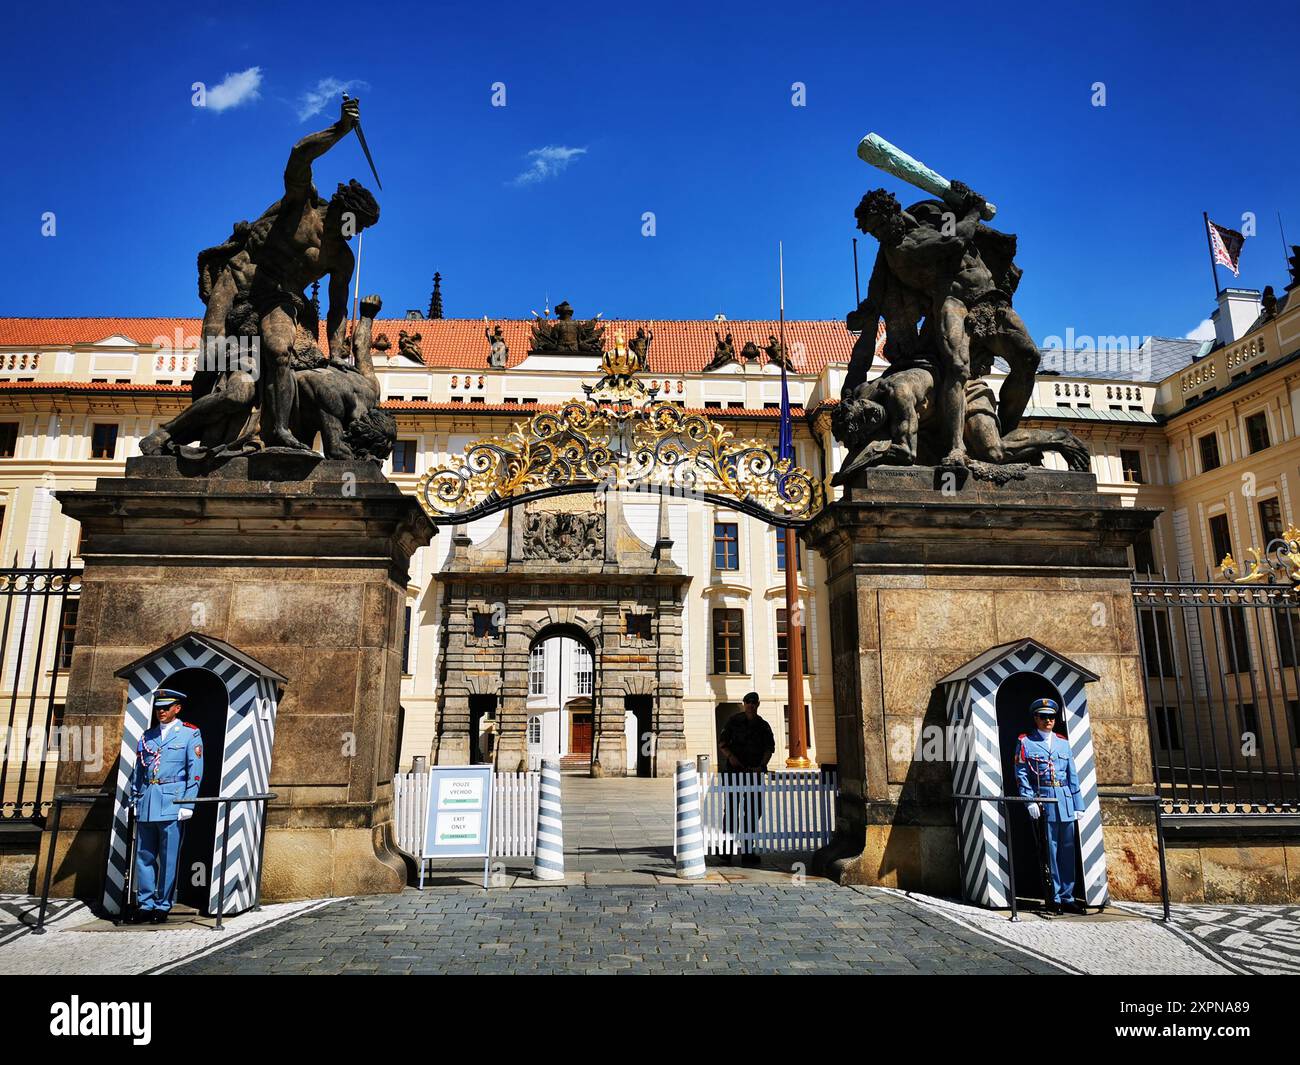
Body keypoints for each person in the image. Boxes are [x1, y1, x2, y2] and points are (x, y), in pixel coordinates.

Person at [130, 688, 204, 924]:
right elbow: (139, 771)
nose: (161, 711)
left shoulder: (189, 734)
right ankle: (145, 903)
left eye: (166, 707)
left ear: (177, 708)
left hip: (173, 801)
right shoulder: (147, 735)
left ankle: (163, 905)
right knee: (144, 856)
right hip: (148, 800)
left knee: (169, 856)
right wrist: (135, 798)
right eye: (158, 707)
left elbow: (195, 771)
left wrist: (188, 803)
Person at [1014, 697, 1086, 915]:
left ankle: (1068, 896)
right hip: (1044, 800)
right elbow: (1021, 774)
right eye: (1044, 717)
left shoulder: (1063, 742)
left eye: (1052, 717)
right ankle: (1053, 897)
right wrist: (1029, 801)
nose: (1048, 720)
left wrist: (1078, 803)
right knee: (1050, 851)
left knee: (1067, 851)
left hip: (1064, 799)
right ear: (1035, 718)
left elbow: (1072, 774)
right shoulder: (1025, 742)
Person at [718, 692, 776, 867]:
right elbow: (723, 743)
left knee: (752, 813)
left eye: (753, 702)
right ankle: (727, 850)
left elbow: (769, 748)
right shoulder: (733, 722)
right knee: (731, 813)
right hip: (734, 774)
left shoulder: (763, 726)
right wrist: (730, 757)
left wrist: (761, 765)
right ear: (744, 704)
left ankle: (748, 851)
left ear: (758, 704)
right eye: (748, 702)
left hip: (754, 775)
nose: (750, 705)